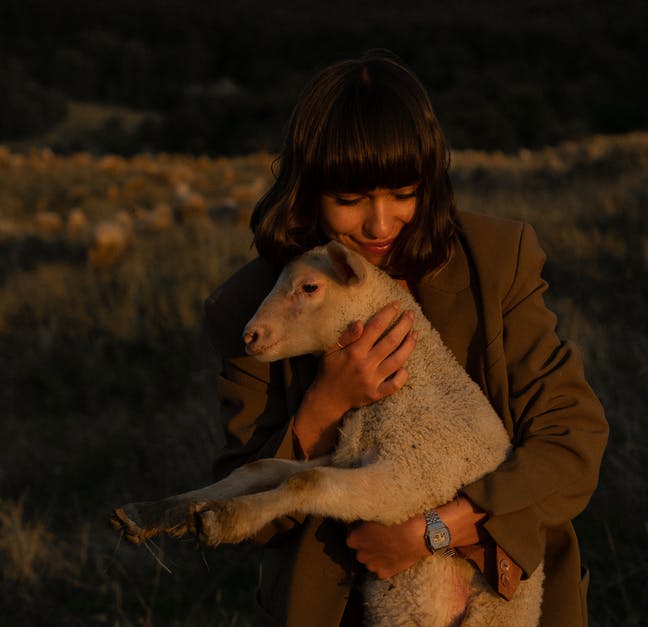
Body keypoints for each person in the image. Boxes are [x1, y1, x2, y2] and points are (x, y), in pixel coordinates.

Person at [201, 50, 609, 627]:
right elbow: (249, 517)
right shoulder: (255, 310)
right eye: (349, 201)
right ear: (309, 189)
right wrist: (326, 403)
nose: (380, 223)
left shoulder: (495, 264)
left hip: (501, 595)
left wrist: (436, 530)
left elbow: (572, 442)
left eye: (402, 193)